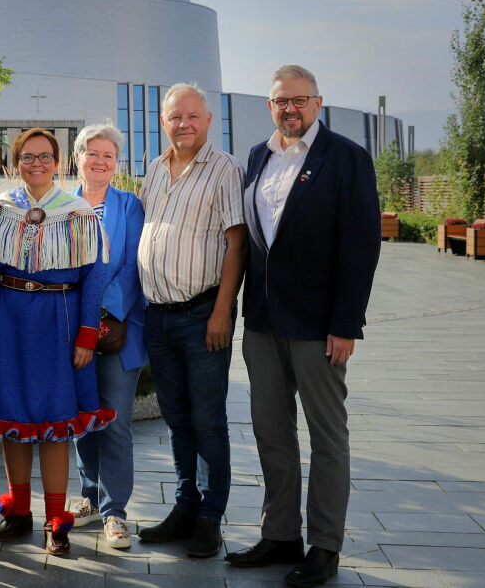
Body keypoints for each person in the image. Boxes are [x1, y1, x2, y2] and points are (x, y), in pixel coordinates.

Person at [226, 65, 380, 588]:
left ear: (318, 103)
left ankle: (325, 546)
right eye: (279, 101)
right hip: (264, 322)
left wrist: (346, 324)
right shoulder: (257, 156)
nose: (288, 109)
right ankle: (280, 535)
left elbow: (361, 248)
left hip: (319, 326)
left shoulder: (347, 159)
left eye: (298, 100)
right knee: (271, 432)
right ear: (270, 106)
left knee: (327, 437)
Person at [0, 128, 115, 556]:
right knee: (12, 418)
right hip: (7, 324)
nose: (36, 163)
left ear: (59, 162)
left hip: (59, 324)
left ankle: (56, 520)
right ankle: (17, 513)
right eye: (27, 157)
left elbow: (95, 278)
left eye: (45, 156)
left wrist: (87, 335)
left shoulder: (79, 212)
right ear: (14, 163)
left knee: (54, 424)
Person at [136, 83, 247, 558]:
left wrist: (223, 311)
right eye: (174, 117)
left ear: (208, 119)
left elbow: (237, 244)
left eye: (192, 117)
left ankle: (210, 518)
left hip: (203, 315)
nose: (182, 124)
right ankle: (185, 507)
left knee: (208, 420)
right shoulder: (155, 170)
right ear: (163, 121)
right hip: (157, 317)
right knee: (177, 419)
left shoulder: (224, 170)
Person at [67, 122, 148, 549]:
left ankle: (115, 512)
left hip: (116, 329)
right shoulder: (62, 204)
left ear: (117, 164)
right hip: (68, 332)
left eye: (109, 156)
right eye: (92, 153)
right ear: (77, 157)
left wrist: (99, 309)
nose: (100, 161)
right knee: (83, 420)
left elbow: (134, 265)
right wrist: (74, 317)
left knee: (114, 422)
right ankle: (88, 495)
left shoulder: (129, 205)